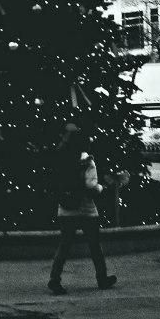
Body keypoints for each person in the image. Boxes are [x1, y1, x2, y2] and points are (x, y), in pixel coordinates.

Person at [48, 124, 117, 294]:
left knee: (64, 246)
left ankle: (54, 279)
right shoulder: (87, 160)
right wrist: (102, 187)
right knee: (94, 246)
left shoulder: (59, 157)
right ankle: (102, 278)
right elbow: (90, 186)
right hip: (86, 208)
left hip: (65, 207)